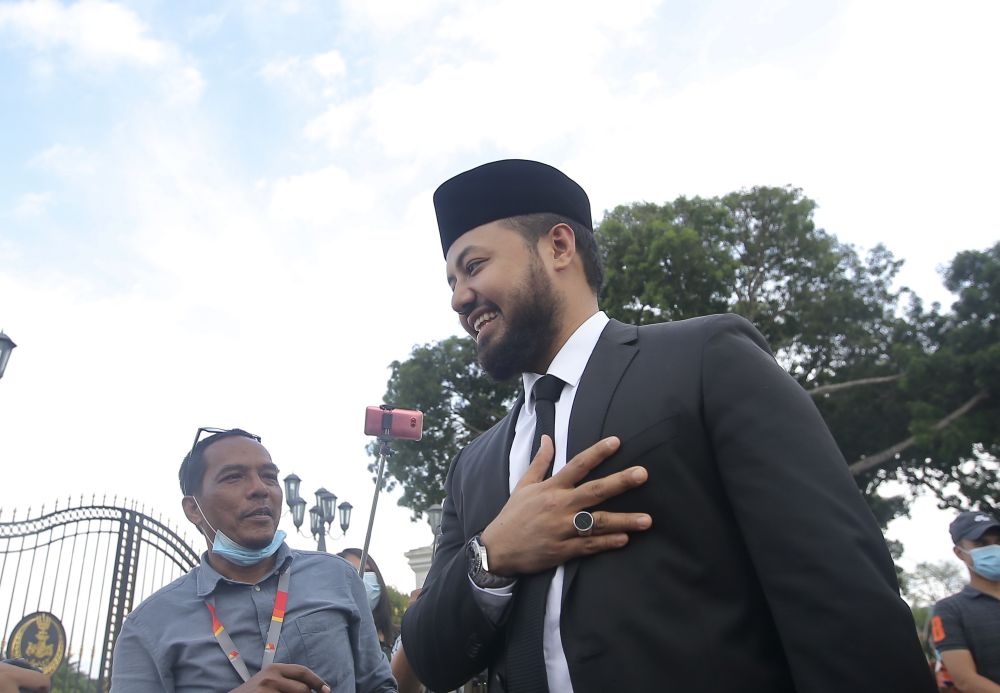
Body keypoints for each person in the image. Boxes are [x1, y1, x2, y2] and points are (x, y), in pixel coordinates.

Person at [400, 159, 935, 693]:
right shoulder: (470, 467)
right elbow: (428, 658)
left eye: (474, 266)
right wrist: (493, 553)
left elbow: (840, 599)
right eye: (452, 281)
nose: (458, 298)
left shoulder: (704, 361)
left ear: (559, 247)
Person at [110, 428, 396, 693]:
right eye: (233, 477)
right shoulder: (148, 625)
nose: (260, 489)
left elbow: (380, 686)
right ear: (193, 509)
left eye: (269, 476)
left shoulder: (337, 577)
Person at [931, 510, 1000, 692]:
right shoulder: (950, 610)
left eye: (998, 542)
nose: (994, 549)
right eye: (981, 543)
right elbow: (965, 680)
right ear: (959, 552)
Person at [337, 548, 397, 660]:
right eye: (353, 572)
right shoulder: (335, 643)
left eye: (368, 571)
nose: (363, 579)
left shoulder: (403, 637)